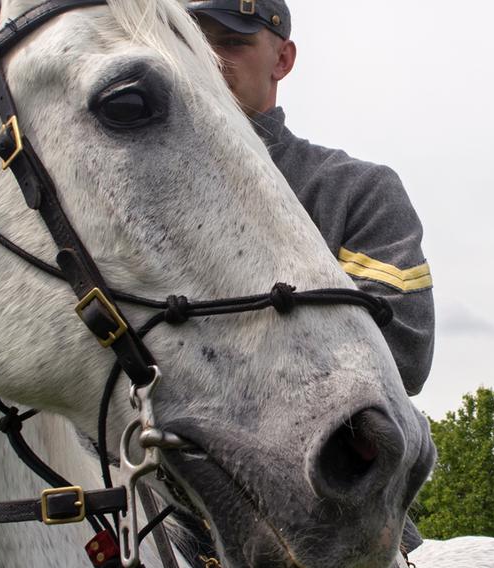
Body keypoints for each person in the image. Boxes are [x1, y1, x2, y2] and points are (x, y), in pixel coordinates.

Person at [186, 0, 434, 554]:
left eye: (231, 43)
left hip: (326, 507)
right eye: (194, 41)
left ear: (284, 59)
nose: (208, 59)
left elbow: (405, 354)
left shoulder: (358, 190)